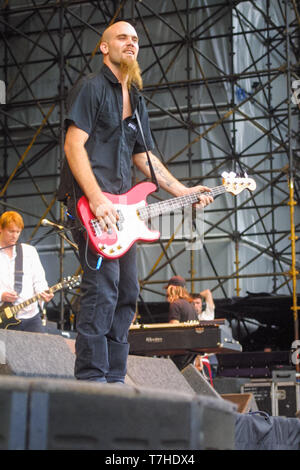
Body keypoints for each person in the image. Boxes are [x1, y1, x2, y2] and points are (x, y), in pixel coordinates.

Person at [60, 21, 213, 384]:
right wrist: (96, 199)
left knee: (127, 292)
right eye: (122, 38)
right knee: (102, 289)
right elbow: (72, 145)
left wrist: (183, 191)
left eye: (135, 40)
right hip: (92, 208)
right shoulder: (91, 87)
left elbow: (145, 158)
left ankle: (115, 377)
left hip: (124, 213)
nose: (130, 43)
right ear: (104, 47)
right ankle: (92, 380)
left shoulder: (137, 98)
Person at [0, 211, 53, 333]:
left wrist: (44, 292)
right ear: (1, 229)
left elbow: (39, 280)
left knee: (40, 350)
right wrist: (1, 295)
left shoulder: (29, 251)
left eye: (18, 232)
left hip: (31, 317)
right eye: (11, 231)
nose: (15, 236)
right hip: (3, 318)